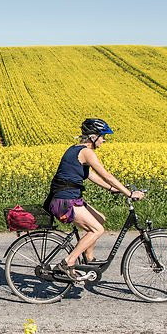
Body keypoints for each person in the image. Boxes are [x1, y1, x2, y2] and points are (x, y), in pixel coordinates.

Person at [43, 118, 145, 281]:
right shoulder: (86, 152)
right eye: (103, 136)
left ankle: (89, 260)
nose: (104, 140)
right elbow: (106, 175)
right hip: (64, 201)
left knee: (100, 219)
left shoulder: (75, 149)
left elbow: (91, 176)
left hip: (66, 198)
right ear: (93, 137)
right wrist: (129, 194)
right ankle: (68, 262)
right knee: (97, 230)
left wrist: (113, 189)